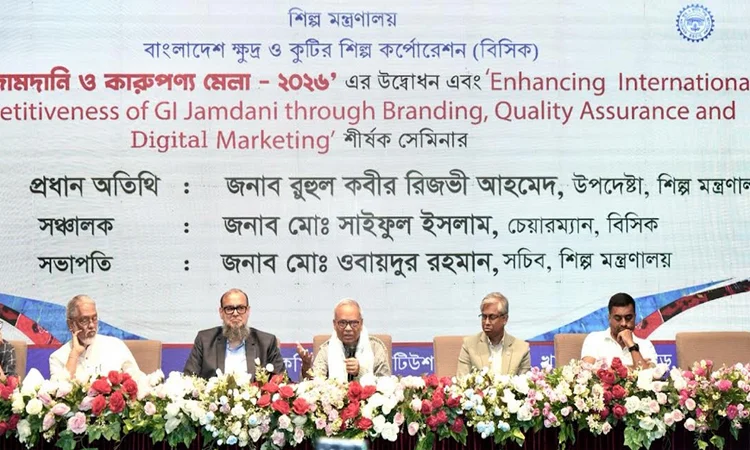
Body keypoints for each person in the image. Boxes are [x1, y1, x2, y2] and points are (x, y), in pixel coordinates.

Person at [184, 288, 285, 379]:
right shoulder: (204, 340)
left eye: (241, 308)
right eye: (229, 309)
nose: (235, 313)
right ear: (221, 312)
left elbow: (282, 382)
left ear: (248, 311)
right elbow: (188, 380)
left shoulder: (266, 342)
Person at [297, 298, 391, 381]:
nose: (348, 328)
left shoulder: (375, 348)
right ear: (334, 324)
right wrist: (306, 366)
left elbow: (386, 383)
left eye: (354, 323)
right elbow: (315, 384)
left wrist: (360, 371)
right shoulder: (326, 350)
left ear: (361, 323)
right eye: (342, 323)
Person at [49, 295, 140, 379]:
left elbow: (138, 381)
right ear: (71, 324)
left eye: (94, 318)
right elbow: (59, 389)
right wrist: (74, 354)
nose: (92, 325)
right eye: (84, 320)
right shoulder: (57, 358)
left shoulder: (116, 345)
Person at [457, 292, 531, 377]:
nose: (486, 322)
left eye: (492, 317)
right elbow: (461, 380)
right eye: (484, 317)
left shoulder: (522, 349)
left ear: (505, 319)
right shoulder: (469, 345)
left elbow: (525, 382)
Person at [581, 292, 657, 368]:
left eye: (628, 318)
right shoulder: (594, 339)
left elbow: (647, 373)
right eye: (618, 318)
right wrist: (633, 368)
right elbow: (587, 371)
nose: (623, 323)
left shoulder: (646, 345)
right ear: (609, 317)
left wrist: (631, 345)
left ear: (635, 317)